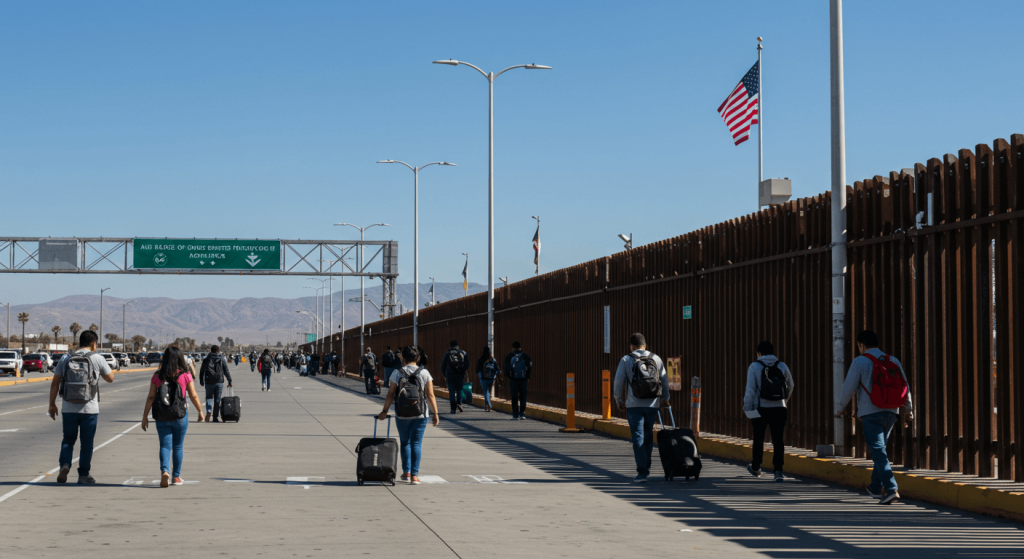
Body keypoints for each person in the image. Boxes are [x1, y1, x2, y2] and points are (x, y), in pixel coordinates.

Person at [836, 330, 914, 505]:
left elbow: (849, 387)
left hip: (871, 413)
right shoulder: (892, 360)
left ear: (861, 345)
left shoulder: (860, 361)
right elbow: (905, 385)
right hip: (891, 413)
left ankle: (891, 488)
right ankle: (874, 486)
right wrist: (909, 409)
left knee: (878, 451)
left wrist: (841, 408)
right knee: (880, 451)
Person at [47, 330, 114, 485]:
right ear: (94, 343)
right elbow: (110, 378)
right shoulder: (97, 358)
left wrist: (52, 404)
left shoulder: (66, 358)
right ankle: (83, 475)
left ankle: (64, 465)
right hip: (89, 409)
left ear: (79, 343)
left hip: (68, 408)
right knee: (87, 442)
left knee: (68, 440)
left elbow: (55, 382)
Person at [141, 346, 205, 487]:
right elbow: (193, 395)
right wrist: (200, 412)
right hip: (180, 415)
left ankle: (165, 471)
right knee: (177, 446)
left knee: (165, 445)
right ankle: (176, 477)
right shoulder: (185, 375)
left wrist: (145, 417)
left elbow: (151, 396)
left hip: (162, 416)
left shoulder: (157, 375)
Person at [378, 346, 440, 485]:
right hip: (420, 414)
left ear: (403, 358)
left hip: (401, 414)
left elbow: (391, 393)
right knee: (416, 443)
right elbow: (430, 395)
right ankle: (414, 476)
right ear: (418, 358)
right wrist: (435, 413)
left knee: (405, 442)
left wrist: (384, 411)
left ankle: (406, 472)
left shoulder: (397, 372)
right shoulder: (424, 373)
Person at [613, 333, 670, 483]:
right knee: (648, 435)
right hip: (652, 405)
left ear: (631, 346)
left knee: (638, 437)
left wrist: (618, 399)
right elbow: (664, 379)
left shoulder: (626, 359)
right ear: (645, 345)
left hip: (634, 405)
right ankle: (647, 465)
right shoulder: (656, 358)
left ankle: (643, 471)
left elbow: (618, 382)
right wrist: (666, 398)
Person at [742, 341, 795, 482]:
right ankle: (778, 471)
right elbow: (791, 385)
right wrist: (784, 401)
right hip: (780, 408)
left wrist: (747, 408)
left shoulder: (754, 366)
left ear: (759, 353)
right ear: (772, 352)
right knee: (778, 440)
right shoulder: (782, 366)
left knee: (758, 438)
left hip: (761, 408)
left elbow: (750, 390)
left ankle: (756, 467)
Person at [199, 345, 233, 422]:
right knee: (217, 400)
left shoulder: (207, 359)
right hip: (219, 382)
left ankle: (208, 410)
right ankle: (215, 417)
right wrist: (229, 380)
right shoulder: (222, 359)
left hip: (208, 381)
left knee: (208, 397)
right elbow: (226, 371)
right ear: (218, 351)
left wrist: (201, 380)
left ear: (211, 351)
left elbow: (202, 371)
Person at [503, 341, 533, 420]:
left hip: (513, 379)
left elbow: (506, 367)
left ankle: (515, 414)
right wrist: (527, 377)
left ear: (512, 347)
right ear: (520, 347)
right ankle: (522, 413)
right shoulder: (525, 356)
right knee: (523, 396)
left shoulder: (509, 356)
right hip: (523, 379)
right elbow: (529, 366)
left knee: (514, 396)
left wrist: (508, 375)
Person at [440, 341, 469, 414]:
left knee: (452, 392)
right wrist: (463, 371)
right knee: (459, 390)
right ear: (457, 345)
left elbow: (442, 366)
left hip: (450, 375)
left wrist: (444, 375)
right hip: (460, 375)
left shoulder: (447, 353)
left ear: (450, 345)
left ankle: (453, 409)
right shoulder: (463, 352)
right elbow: (467, 364)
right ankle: (459, 403)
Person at [476, 346, 500, 412]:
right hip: (491, 378)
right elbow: (497, 369)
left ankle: (488, 404)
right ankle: (486, 405)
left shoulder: (481, 360)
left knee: (485, 392)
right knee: (488, 391)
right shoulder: (493, 360)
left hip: (483, 378)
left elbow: (477, 370)